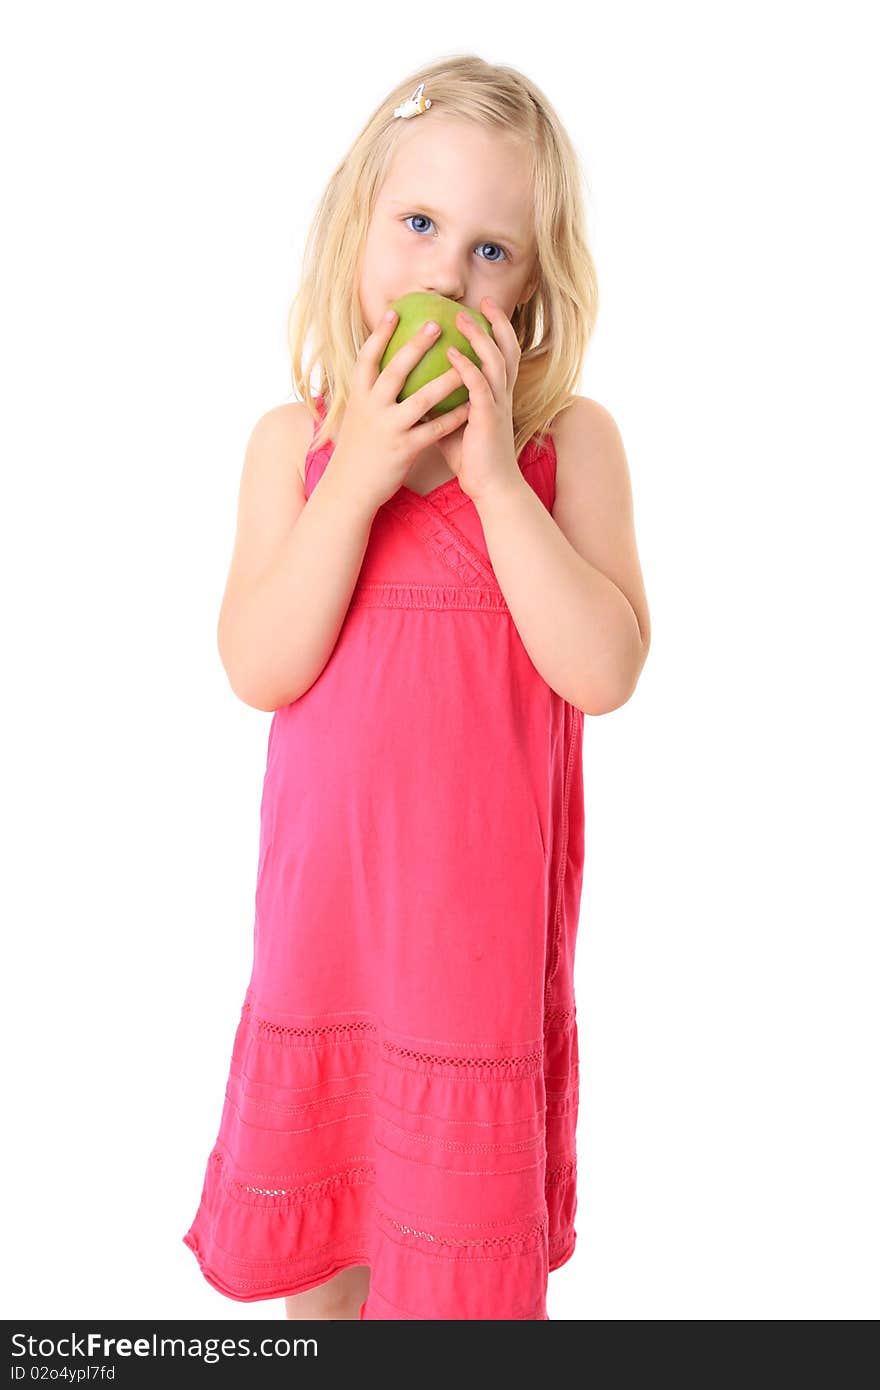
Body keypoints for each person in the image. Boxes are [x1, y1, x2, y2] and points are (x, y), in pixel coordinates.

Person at [182, 53, 651, 1322]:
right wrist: (360, 474)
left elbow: (602, 669)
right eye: (422, 226)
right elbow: (257, 663)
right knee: (326, 1270)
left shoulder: (567, 450)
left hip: (470, 959)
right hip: (329, 943)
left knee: (454, 1278)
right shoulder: (296, 447)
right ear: (358, 230)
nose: (449, 274)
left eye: (494, 251)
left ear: (538, 293)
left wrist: (494, 480)